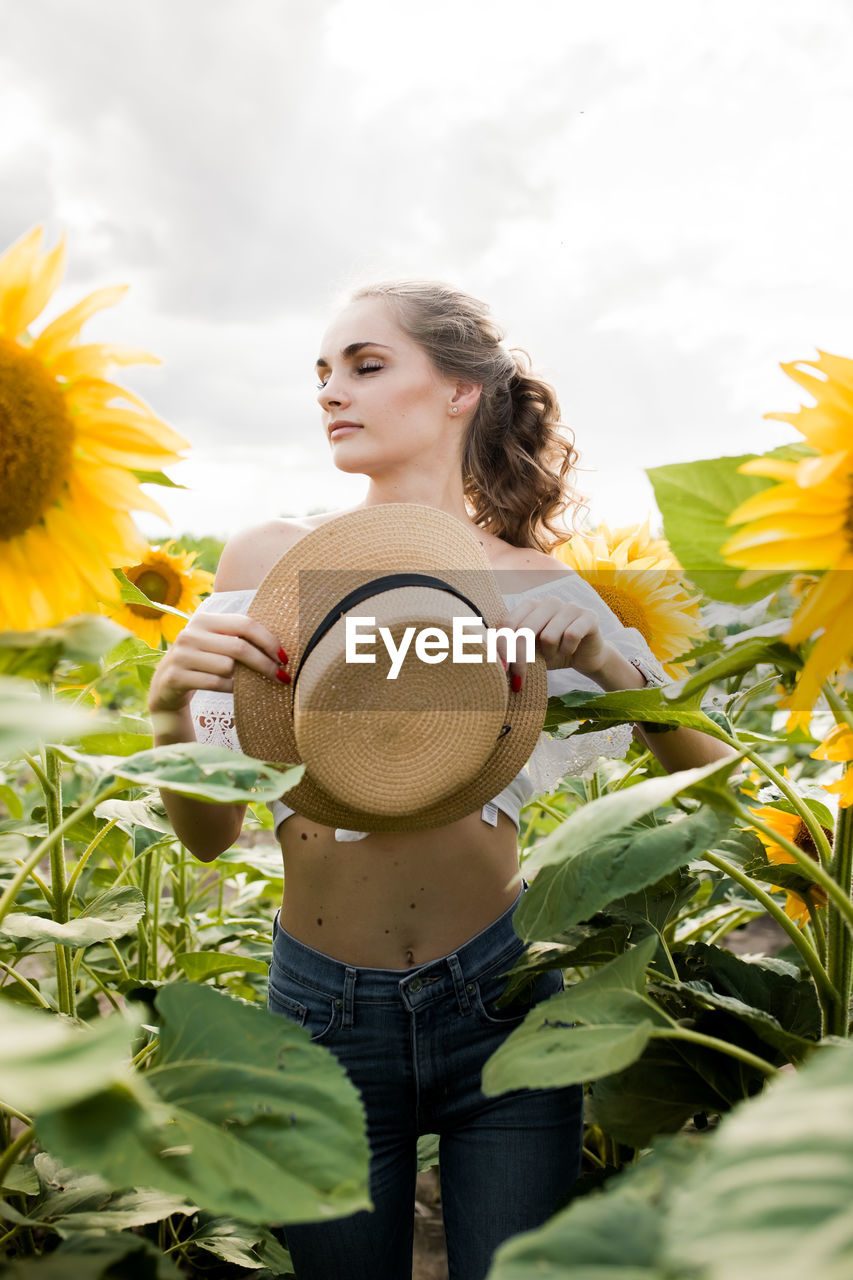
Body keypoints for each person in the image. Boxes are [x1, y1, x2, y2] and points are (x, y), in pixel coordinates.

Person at [147, 280, 731, 1280]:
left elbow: (718, 789)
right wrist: (168, 714)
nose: (332, 389)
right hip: (322, 1015)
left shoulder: (531, 581)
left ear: (461, 389)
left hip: (502, 999)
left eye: (365, 365)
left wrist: (611, 663)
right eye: (323, 372)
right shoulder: (276, 558)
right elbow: (207, 834)